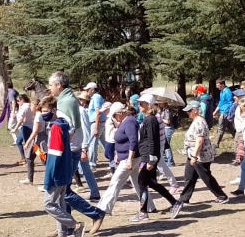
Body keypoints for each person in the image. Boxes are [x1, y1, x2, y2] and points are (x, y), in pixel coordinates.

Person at [41, 97, 86, 237]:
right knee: (59, 204)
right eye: (41, 111)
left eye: (46, 111)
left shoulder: (55, 128)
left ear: (54, 110)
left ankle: (75, 225)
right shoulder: (63, 125)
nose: (43, 114)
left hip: (57, 173)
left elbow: (55, 155)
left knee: (49, 204)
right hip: (64, 171)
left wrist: (49, 176)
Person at [130, 94, 183, 222]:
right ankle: (175, 202)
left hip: (149, 157)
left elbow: (153, 141)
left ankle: (143, 212)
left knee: (142, 181)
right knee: (152, 183)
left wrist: (152, 160)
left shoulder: (151, 120)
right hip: (147, 156)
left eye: (141, 103)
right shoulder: (148, 118)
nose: (139, 105)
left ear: (148, 105)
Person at [97, 102, 154, 215]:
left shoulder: (129, 122)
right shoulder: (125, 122)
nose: (114, 118)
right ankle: (149, 206)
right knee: (138, 184)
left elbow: (133, 141)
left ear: (120, 113)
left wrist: (129, 159)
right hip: (128, 158)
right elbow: (124, 140)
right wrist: (118, 153)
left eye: (114, 115)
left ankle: (104, 209)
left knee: (115, 182)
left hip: (130, 160)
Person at [178, 100, 229, 204]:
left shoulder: (199, 122)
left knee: (206, 177)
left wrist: (194, 156)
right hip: (192, 154)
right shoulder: (196, 121)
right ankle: (184, 199)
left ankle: (221, 196)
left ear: (195, 111)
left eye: (189, 110)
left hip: (200, 156)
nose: (187, 113)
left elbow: (200, 140)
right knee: (189, 177)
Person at [84, 82, 106, 167]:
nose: (87, 91)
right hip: (99, 122)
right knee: (104, 143)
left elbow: (98, 113)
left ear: (92, 90)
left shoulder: (96, 97)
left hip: (97, 122)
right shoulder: (95, 97)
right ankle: (114, 159)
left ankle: (92, 164)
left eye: (88, 90)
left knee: (93, 143)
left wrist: (96, 127)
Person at [213, 79, 235, 148]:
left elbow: (231, 103)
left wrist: (230, 113)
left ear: (222, 84)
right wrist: (215, 111)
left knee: (221, 128)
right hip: (223, 111)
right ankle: (238, 141)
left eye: (218, 85)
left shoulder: (227, 91)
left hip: (225, 112)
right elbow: (221, 102)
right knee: (230, 128)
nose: (217, 87)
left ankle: (216, 144)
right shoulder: (222, 92)